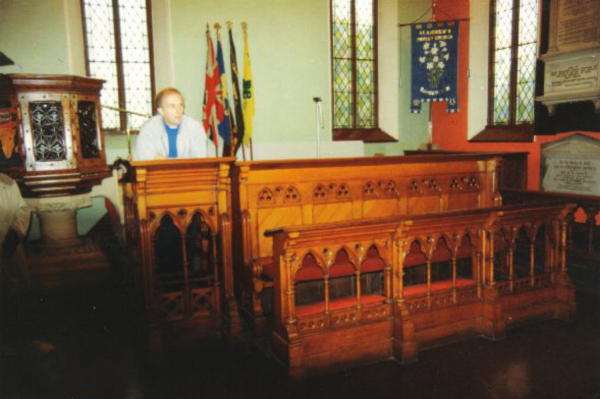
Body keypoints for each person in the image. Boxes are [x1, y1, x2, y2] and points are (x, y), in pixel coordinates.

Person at [135, 88, 207, 161]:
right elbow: (146, 161)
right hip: (158, 172)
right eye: (172, 106)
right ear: (161, 111)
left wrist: (165, 161)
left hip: (189, 172)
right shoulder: (148, 129)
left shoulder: (195, 128)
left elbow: (199, 161)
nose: (178, 111)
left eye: (180, 106)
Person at [0, 173, 31, 295]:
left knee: (15, 290)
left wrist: (16, 231)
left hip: (9, 246)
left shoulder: (7, 182)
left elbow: (21, 209)